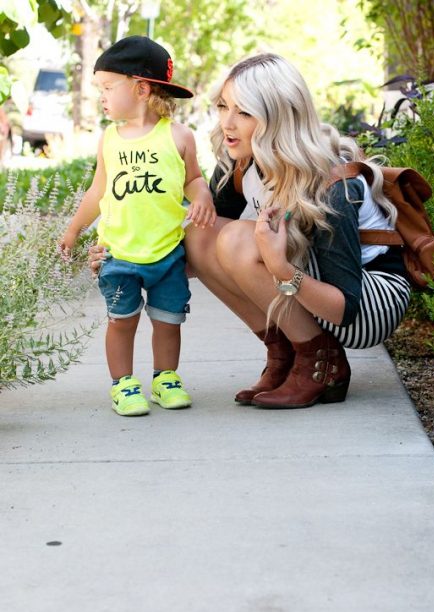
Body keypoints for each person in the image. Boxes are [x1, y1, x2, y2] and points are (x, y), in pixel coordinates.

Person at [90, 53, 411, 409]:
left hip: (368, 300)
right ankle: (284, 353)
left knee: (238, 241)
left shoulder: (331, 183)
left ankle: (321, 363)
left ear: (278, 116)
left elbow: (345, 309)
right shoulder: (239, 162)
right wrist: (116, 253)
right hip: (313, 284)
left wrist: (279, 266)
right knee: (198, 234)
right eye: (224, 106)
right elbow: (198, 257)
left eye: (244, 113)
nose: (228, 123)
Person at [61, 36, 216, 417]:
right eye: (100, 89)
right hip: (119, 253)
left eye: (108, 87)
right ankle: (124, 384)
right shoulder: (109, 139)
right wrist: (74, 230)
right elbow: (98, 190)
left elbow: (193, 180)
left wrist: (203, 196)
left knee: (168, 322)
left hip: (166, 252)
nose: (101, 96)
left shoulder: (179, 137)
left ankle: (165, 379)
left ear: (142, 88)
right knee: (121, 322)